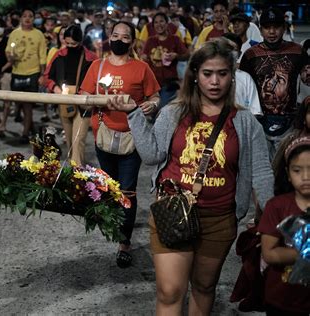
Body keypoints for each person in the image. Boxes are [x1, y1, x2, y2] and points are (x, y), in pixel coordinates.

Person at [109, 39, 274, 314]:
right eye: (207, 73)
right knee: (170, 291)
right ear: (195, 75)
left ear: (231, 77)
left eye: (222, 74)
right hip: (172, 212)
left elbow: (261, 171)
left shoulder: (245, 123)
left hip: (219, 219)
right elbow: (151, 155)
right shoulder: (174, 113)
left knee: (204, 287)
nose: (215, 81)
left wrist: (271, 219)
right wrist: (134, 115)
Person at [80, 21, 161, 268]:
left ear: (132, 41)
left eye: (125, 37)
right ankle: (114, 222)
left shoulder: (142, 68)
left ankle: (124, 243)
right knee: (108, 186)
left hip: (133, 139)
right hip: (103, 136)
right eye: (115, 35)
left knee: (127, 191)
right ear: (109, 38)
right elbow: (83, 99)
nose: (119, 39)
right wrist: (89, 101)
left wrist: (152, 105)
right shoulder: (97, 66)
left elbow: (155, 96)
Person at [239, 7, 309, 159]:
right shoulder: (251, 55)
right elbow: (243, 87)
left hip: (290, 123)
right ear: (261, 29)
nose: (272, 32)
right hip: (258, 122)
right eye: (267, 27)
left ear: (284, 28)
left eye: (276, 27)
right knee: (261, 167)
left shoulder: (297, 51)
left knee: (285, 166)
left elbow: (306, 78)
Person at [258, 136, 310, 315]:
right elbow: (269, 253)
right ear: (288, 174)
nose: (306, 177)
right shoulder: (277, 206)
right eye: (297, 170)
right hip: (282, 300)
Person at [44, 25, 98, 165]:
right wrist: (54, 87)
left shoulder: (91, 58)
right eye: (67, 43)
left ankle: (77, 174)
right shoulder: (59, 55)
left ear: (80, 42)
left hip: (83, 103)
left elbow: (98, 80)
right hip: (64, 101)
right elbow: (47, 77)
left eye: (73, 44)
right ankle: (73, 170)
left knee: (78, 140)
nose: (69, 46)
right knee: (69, 142)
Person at [5, 8, 47, 144]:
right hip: (17, 72)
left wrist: (42, 74)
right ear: (21, 18)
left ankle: (24, 133)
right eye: (24, 16)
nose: (27, 18)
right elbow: (8, 51)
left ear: (34, 18)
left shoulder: (39, 34)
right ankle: (31, 127)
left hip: (33, 73)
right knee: (20, 103)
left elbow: (42, 56)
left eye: (30, 16)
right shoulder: (14, 34)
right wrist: (10, 57)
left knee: (27, 104)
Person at [141, 12, 189, 109]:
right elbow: (143, 56)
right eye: (156, 22)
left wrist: (176, 56)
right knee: (152, 111)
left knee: (162, 110)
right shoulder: (150, 41)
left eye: (162, 21)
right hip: (153, 84)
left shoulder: (175, 39)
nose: (159, 25)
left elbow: (187, 55)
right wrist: (144, 57)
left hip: (169, 83)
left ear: (167, 23)